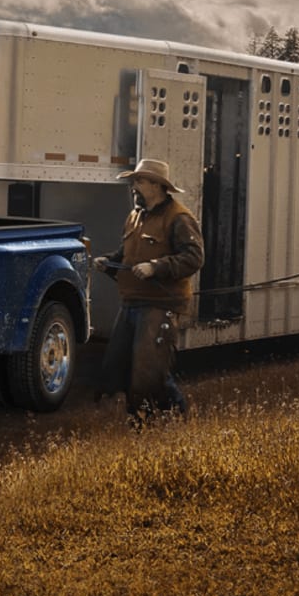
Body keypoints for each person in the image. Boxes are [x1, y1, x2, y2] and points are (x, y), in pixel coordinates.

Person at [93, 158, 205, 422]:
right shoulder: (135, 217)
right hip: (131, 302)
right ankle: (149, 422)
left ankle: (172, 420)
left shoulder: (179, 218)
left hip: (160, 305)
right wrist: (108, 262)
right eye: (134, 182)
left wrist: (156, 267)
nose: (134, 187)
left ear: (157, 186)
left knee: (148, 371)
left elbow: (194, 257)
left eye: (139, 181)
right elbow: (127, 256)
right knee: (119, 367)